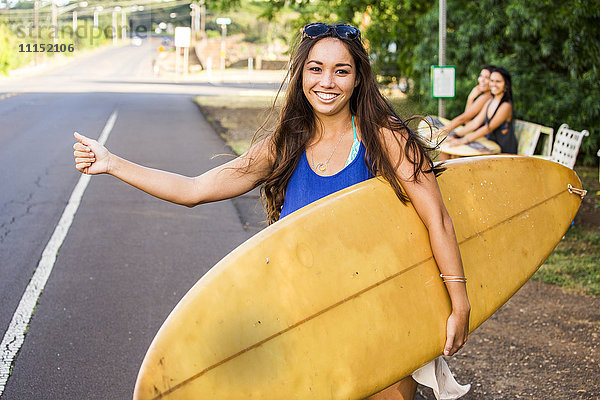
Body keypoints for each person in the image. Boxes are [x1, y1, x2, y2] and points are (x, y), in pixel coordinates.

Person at [73, 23, 470, 400]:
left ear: (358, 78)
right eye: (316, 69)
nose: (327, 82)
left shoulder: (384, 136)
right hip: (305, 315)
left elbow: (437, 218)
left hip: (382, 308)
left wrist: (459, 302)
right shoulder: (285, 144)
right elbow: (194, 189)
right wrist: (111, 163)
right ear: (301, 75)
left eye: (341, 71)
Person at [445, 67, 517, 154]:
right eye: (492, 80)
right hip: (489, 145)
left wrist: (463, 140)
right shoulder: (490, 101)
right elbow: (475, 123)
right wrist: (456, 136)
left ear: (506, 85)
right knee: (452, 150)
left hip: (503, 150)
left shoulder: (506, 105)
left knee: (458, 154)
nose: (494, 84)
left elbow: (488, 128)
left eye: (498, 81)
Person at [439, 65, 495, 134]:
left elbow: (463, 119)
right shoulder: (490, 97)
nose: (482, 80)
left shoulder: (486, 97)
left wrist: (439, 132)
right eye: (481, 76)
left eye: (487, 77)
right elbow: (468, 122)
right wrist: (471, 98)